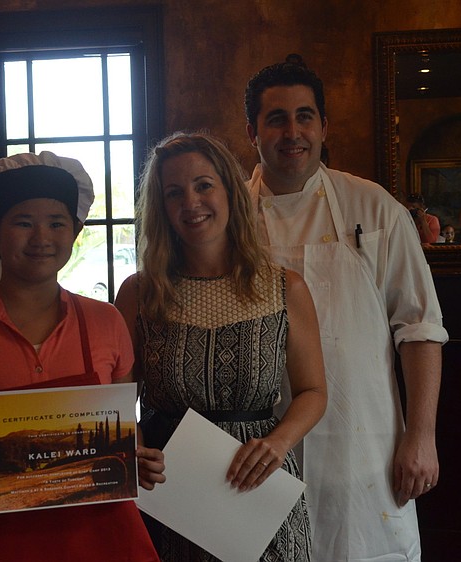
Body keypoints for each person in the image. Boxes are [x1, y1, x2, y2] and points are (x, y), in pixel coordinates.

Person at [0, 152, 164, 561]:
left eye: (57, 223)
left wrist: (138, 458)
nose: (42, 237)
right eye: (23, 222)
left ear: (74, 231)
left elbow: (122, 424)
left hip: (105, 539)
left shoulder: (107, 322)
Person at [244, 55, 448, 562]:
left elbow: (419, 328)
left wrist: (421, 437)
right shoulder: (231, 219)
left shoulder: (375, 209)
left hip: (366, 447)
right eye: (276, 118)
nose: (293, 132)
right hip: (260, 448)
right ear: (252, 132)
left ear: (324, 125)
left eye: (305, 116)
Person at [115, 132, 327, 561]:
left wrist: (279, 442)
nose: (190, 201)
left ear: (230, 189)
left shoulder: (286, 287)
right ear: (161, 207)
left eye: (203, 185)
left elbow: (314, 392)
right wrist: (132, 450)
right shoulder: (139, 293)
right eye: (173, 192)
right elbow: (118, 399)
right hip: (169, 491)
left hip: (258, 485)